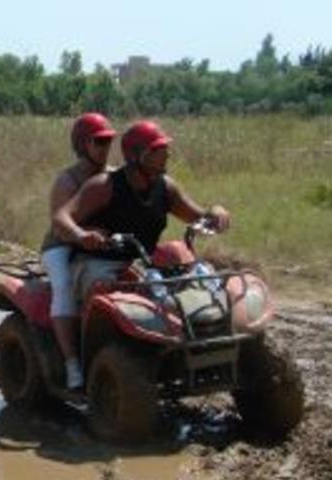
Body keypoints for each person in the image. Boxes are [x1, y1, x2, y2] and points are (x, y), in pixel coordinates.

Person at [54, 121, 231, 379]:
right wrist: (82, 235)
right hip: (99, 260)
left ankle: (198, 340)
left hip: (143, 261)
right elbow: (61, 217)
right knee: (105, 291)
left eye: (165, 148)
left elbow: (197, 215)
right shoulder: (104, 185)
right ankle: (87, 360)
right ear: (137, 155)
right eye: (158, 149)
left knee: (187, 277)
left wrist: (216, 212)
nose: (167, 154)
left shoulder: (165, 187)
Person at [40, 113, 116, 389]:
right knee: (63, 288)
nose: (106, 147)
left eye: (109, 141)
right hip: (61, 246)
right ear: (84, 144)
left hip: (104, 245)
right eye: (99, 141)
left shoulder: (115, 175)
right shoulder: (68, 180)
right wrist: (83, 235)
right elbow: (59, 225)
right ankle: (72, 364)